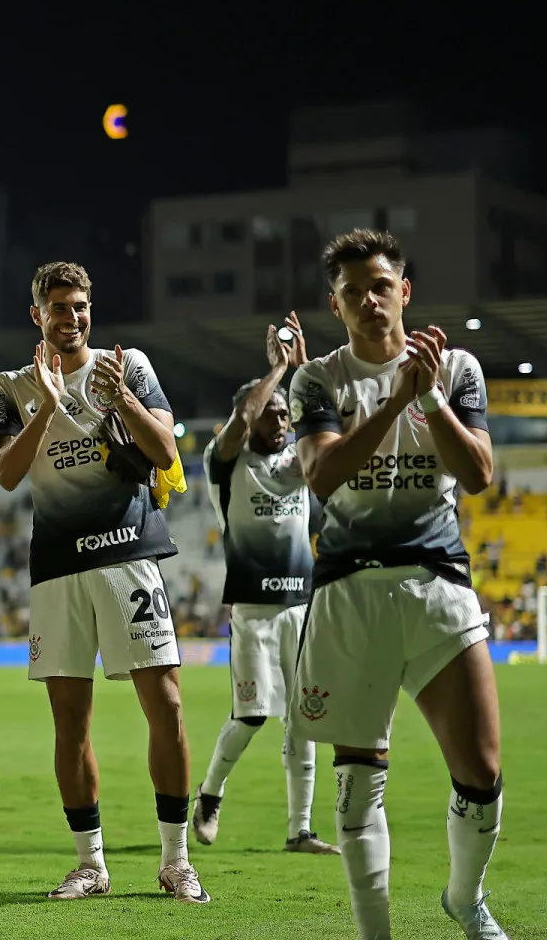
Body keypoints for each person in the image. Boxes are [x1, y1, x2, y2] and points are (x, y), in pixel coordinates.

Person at [287, 229, 505, 940]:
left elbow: (477, 476)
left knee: (482, 768)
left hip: (437, 580)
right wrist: (395, 402)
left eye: (381, 286)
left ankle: (465, 899)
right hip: (350, 587)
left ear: (404, 291)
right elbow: (321, 476)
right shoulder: (317, 380)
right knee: (360, 776)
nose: (370, 300)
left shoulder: (459, 368)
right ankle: (375, 933)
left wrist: (431, 399)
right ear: (336, 305)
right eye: (354, 292)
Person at [0, 261, 204, 903]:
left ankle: (175, 860)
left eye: (80, 305)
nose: (72, 317)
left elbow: (165, 453)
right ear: (38, 315)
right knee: (69, 720)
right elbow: (4, 474)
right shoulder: (11, 384)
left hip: (126, 555)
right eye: (59, 307)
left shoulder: (127, 364)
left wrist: (123, 398)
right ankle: (91, 864)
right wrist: (48, 408)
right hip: (57, 566)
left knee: (164, 704)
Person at [194, 320, 340, 856]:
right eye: (271, 412)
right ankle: (210, 794)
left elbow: (332, 423)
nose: (280, 420)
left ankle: (299, 829)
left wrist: (303, 370)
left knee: (305, 715)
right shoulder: (227, 464)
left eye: (286, 413)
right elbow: (243, 418)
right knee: (251, 715)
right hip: (253, 610)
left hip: (301, 605)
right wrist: (278, 368)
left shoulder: (299, 463)